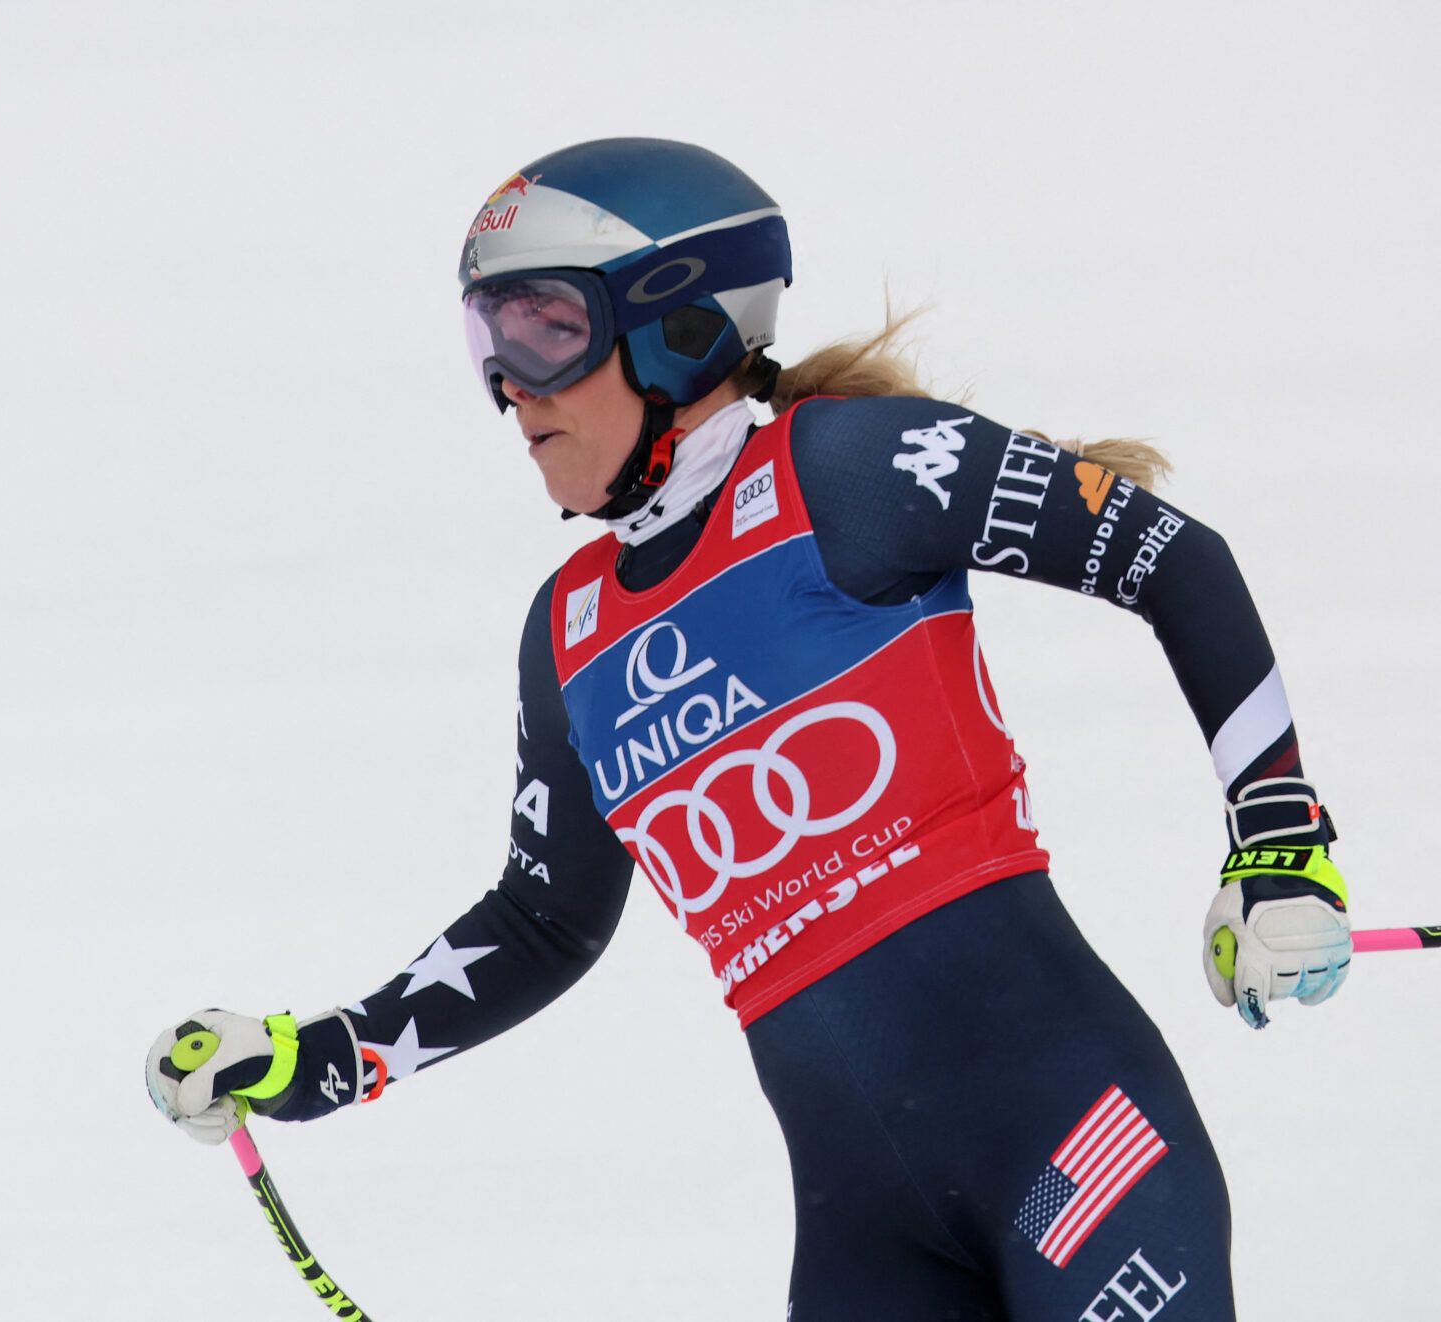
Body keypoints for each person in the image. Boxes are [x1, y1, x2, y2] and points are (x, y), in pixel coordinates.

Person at [146, 138, 1353, 1319]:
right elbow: (540, 919)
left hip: (1076, 1140)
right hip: (868, 1244)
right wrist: (320, 1055)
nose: (511, 380)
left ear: (682, 325)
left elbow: (1170, 557)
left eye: (546, 328)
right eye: (489, 338)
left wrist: (1279, 838)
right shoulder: (566, 632)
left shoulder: (846, 469)